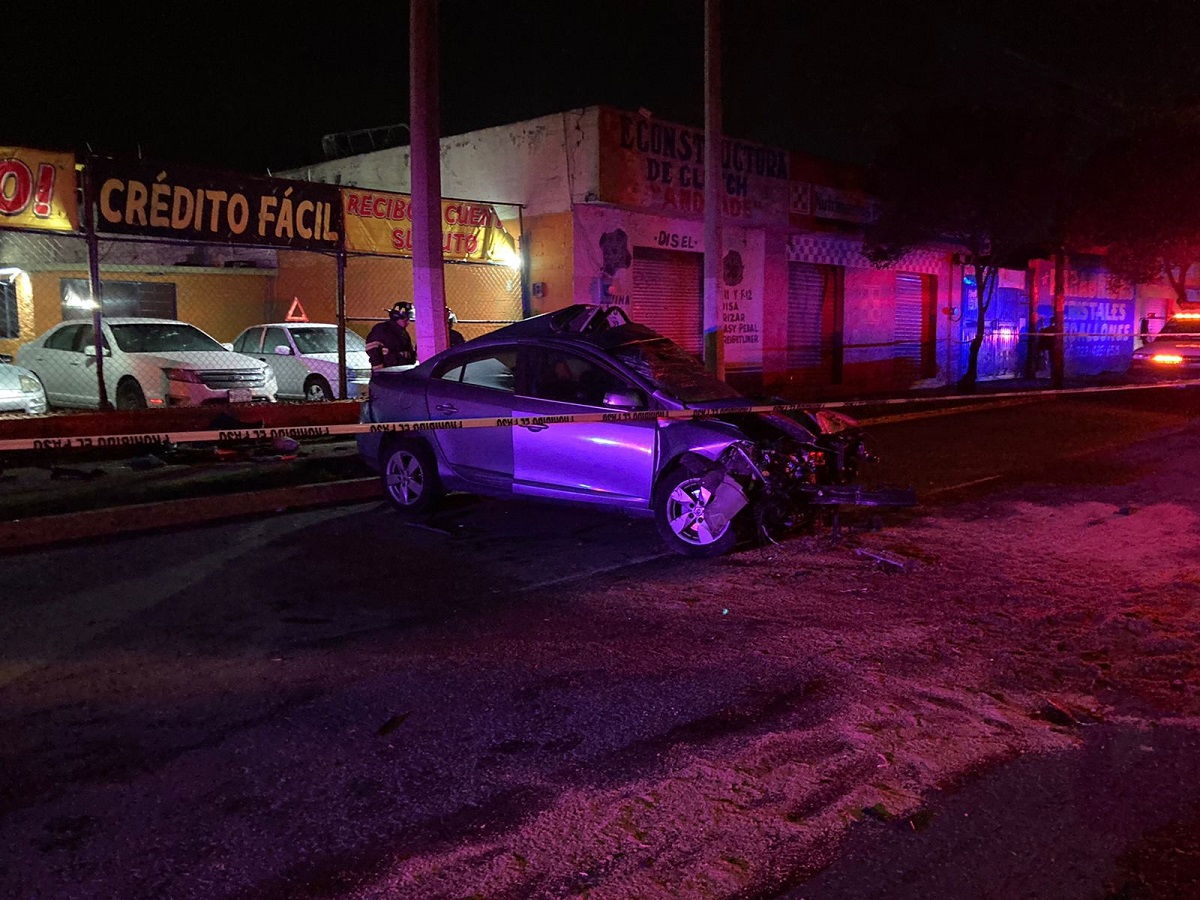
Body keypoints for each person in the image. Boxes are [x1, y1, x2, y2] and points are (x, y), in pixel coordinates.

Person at [366, 302, 416, 372]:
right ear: (397, 317)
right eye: (406, 319)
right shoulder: (382, 329)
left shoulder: (403, 333)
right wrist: (379, 369)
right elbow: (372, 348)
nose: (408, 322)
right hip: (387, 373)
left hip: (402, 371)